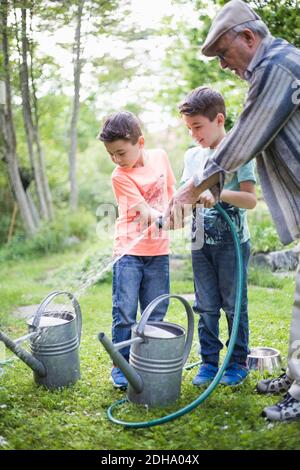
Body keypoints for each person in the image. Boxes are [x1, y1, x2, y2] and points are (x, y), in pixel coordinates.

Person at [167, 0, 300, 421]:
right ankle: (297, 378)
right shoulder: (270, 69)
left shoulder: (277, 66)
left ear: (248, 37)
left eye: (224, 53)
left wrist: (190, 192)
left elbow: (243, 140)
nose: (223, 64)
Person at [179, 86, 256, 386]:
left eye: (197, 126)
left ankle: (237, 362)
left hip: (232, 244)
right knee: (206, 305)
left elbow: (250, 200)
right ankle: (210, 362)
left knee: (233, 304)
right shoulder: (192, 156)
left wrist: (218, 194)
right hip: (200, 243)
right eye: (189, 128)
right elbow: (186, 194)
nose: (193, 134)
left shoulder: (240, 153)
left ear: (219, 120)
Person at [98, 111, 176, 388]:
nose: (116, 160)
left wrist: (178, 213)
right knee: (125, 313)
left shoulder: (160, 157)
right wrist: (166, 219)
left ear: (139, 142)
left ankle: (148, 362)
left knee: (156, 312)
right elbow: (143, 211)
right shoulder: (119, 176)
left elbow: (171, 191)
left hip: (158, 250)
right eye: (111, 154)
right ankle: (122, 369)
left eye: (120, 152)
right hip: (128, 252)